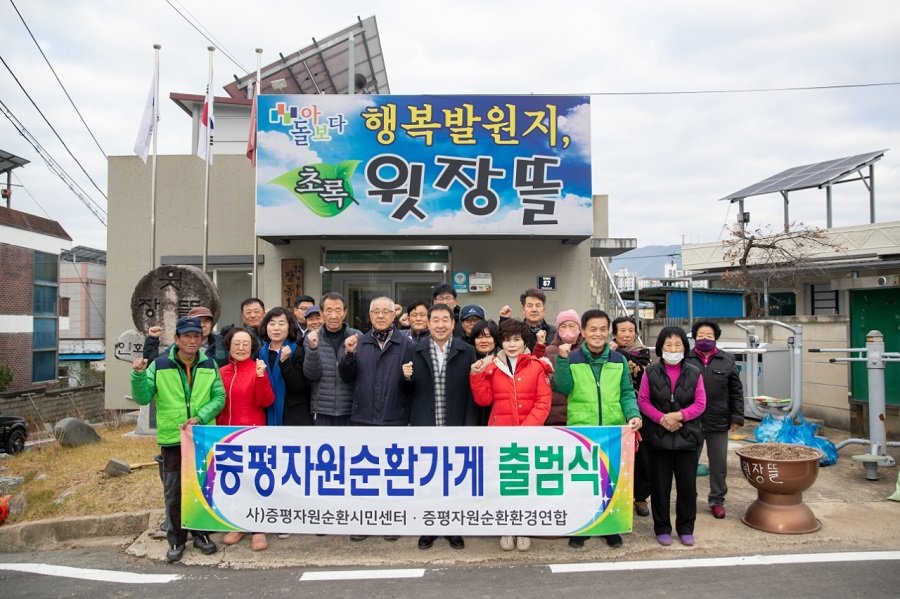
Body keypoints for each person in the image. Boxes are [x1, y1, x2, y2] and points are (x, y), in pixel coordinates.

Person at [130, 316, 225, 563]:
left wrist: (201, 417)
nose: (192, 341)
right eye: (187, 336)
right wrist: (138, 375)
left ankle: (201, 533)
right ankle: (176, 539)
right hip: (173, 439)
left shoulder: (209, 364)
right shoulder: (160, 365)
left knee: (202, 488)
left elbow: (219, 398)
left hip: (201, 438)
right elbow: (142, 397)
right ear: (177, 339)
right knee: (174, 492)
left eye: (197, 337)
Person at [552, 309, 642, 550]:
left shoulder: (618, 360)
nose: (598, 334)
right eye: (592, 329)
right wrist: (561, 360)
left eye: (603, 329)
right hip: (583, 430)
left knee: (611, 482)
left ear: (608, 332)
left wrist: (633, 414)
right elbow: (562, 387)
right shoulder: (571, 358)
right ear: (583, 332)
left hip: (613, 431)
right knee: (582, 482)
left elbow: (626, 393)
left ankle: (610, 527)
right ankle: (581, 528)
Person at [470, 319, 551, 552]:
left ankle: (524, 526)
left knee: (525, 482)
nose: (511, 344)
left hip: (529, 435)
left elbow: (543, 402)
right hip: (500, 434)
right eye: (506, 340)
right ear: (500, 342)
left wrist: (527, 429)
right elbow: (483, 400)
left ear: (525, 341)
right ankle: (507, 525)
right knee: (505, 481)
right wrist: (476, 376)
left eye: (516, 339)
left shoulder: (536, 366)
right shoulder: (492, 366)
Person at [339, 296, 414, 541]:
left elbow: (414, 384)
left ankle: (391, 522)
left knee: (393, 475)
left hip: (395, 416)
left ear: (394, 315)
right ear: (369, 316)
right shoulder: (357, 342)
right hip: (364, 416)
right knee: (365, 474)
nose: (381, 316)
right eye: (376, 312)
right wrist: (348, 355)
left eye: (386, 312)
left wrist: (407, 378)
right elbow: (347, 377)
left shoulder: (406, 343)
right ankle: (364, 522)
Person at [404, 303, 478, 551]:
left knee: (454, 480)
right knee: (429, 479)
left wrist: (468, 428)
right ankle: (429, 526)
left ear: (453, 323)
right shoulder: (414, 351)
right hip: (426, 426)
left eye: (445, 319)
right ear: (427, 323)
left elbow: (471, 393)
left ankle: (453, 526)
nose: (440, 324)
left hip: (455, 426)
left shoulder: (466, 351)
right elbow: (405, 393)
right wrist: (405, 378)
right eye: (434, 319)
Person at [638, 326, 707, 547]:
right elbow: (643, 401)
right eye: (668, 345)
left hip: (687, 437)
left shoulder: (695, 372)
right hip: (658, 437)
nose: (673, 349)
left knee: (687, 487)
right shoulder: (651, 372)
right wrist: (662, 419)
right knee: (660, 486)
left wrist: (679, 416)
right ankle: (662, 528)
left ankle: (686, 528)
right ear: (660, 347)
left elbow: (700, 403)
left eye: (677, 345)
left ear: (685, 348)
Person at [217, 327, 275, 551]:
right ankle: (239, 523)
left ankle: (259, 528)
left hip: (252, 433)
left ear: (252, 347)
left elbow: (266, 401)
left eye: (245, 344)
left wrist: (261, 377)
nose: (241, 348)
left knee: (254, 481)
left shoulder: (257, 368)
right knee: (234, 481)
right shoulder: (221, 372)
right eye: (236, 344)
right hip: (226, 435)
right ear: (229, 346)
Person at [685, 319, 744, 520]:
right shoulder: (686, 358)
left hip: (718, 420)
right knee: (688, 463)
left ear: (716, 338)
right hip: (691, 421)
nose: (704, 339)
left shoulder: (727, 360)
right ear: (694, 337)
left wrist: (736, 416)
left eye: (709, 336)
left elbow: (736, 390)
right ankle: (688, 498)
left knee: (718, 464)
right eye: (700, 335)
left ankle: (717, 500)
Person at [610, 316, 653, 519]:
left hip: (639, 409)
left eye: (630, 330)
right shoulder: (605, 352)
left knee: (642, 457)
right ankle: (618, 495)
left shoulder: (643, 352)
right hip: (614, 409)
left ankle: (641, 497)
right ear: (615, 333)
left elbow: (640, 370)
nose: (627, 334)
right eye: (622, 330)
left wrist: (618, 352)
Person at [303, 292, 361, 426]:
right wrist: (313, 348)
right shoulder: (312, 337)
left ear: (345, 313)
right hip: (322, 409)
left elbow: (360, 374)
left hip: (350, 408)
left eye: (338, 310)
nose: (334, 315)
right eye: (328, 310)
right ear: (322, 313)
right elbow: (311, 375)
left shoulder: (356, 336)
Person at [259, 307, 311, 426]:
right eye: (272, 324)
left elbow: (298, 387)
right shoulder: (260, 354)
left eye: (281, 323)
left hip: (293, 418)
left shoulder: (298, 351)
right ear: (266, 327)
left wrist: (285, 362)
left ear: (289, 327)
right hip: (266, 415)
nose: (276, 328)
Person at [142, 306, 228, 366]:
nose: (202, 325)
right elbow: (154, 364)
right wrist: (152, 339)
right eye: (198, 321)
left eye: (206, 321)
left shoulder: (221, 343)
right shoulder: (177, 347)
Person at [543, 309, 582, 427]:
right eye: (563, 326)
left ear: (580, 329)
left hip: (581, 414)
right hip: (555, 416)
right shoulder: (549, 351)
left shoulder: (586, 351)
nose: (567, 330)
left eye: (572, 326)